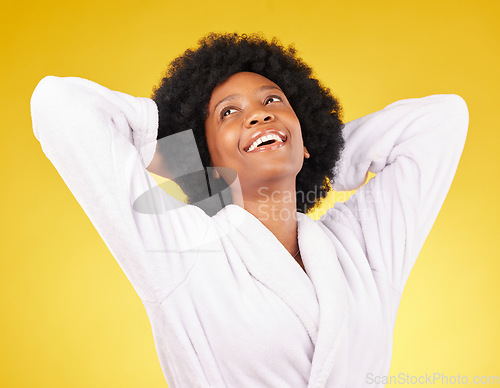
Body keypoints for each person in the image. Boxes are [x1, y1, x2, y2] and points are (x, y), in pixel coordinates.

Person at [30, 33, 469, 387]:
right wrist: (175, 149)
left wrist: (315, 148)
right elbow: (57, 105)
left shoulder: (359, 248)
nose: (258, 116)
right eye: (228, 113)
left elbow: (443, 120)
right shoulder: (180, 249)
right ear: (205, 156)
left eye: (273, 101)